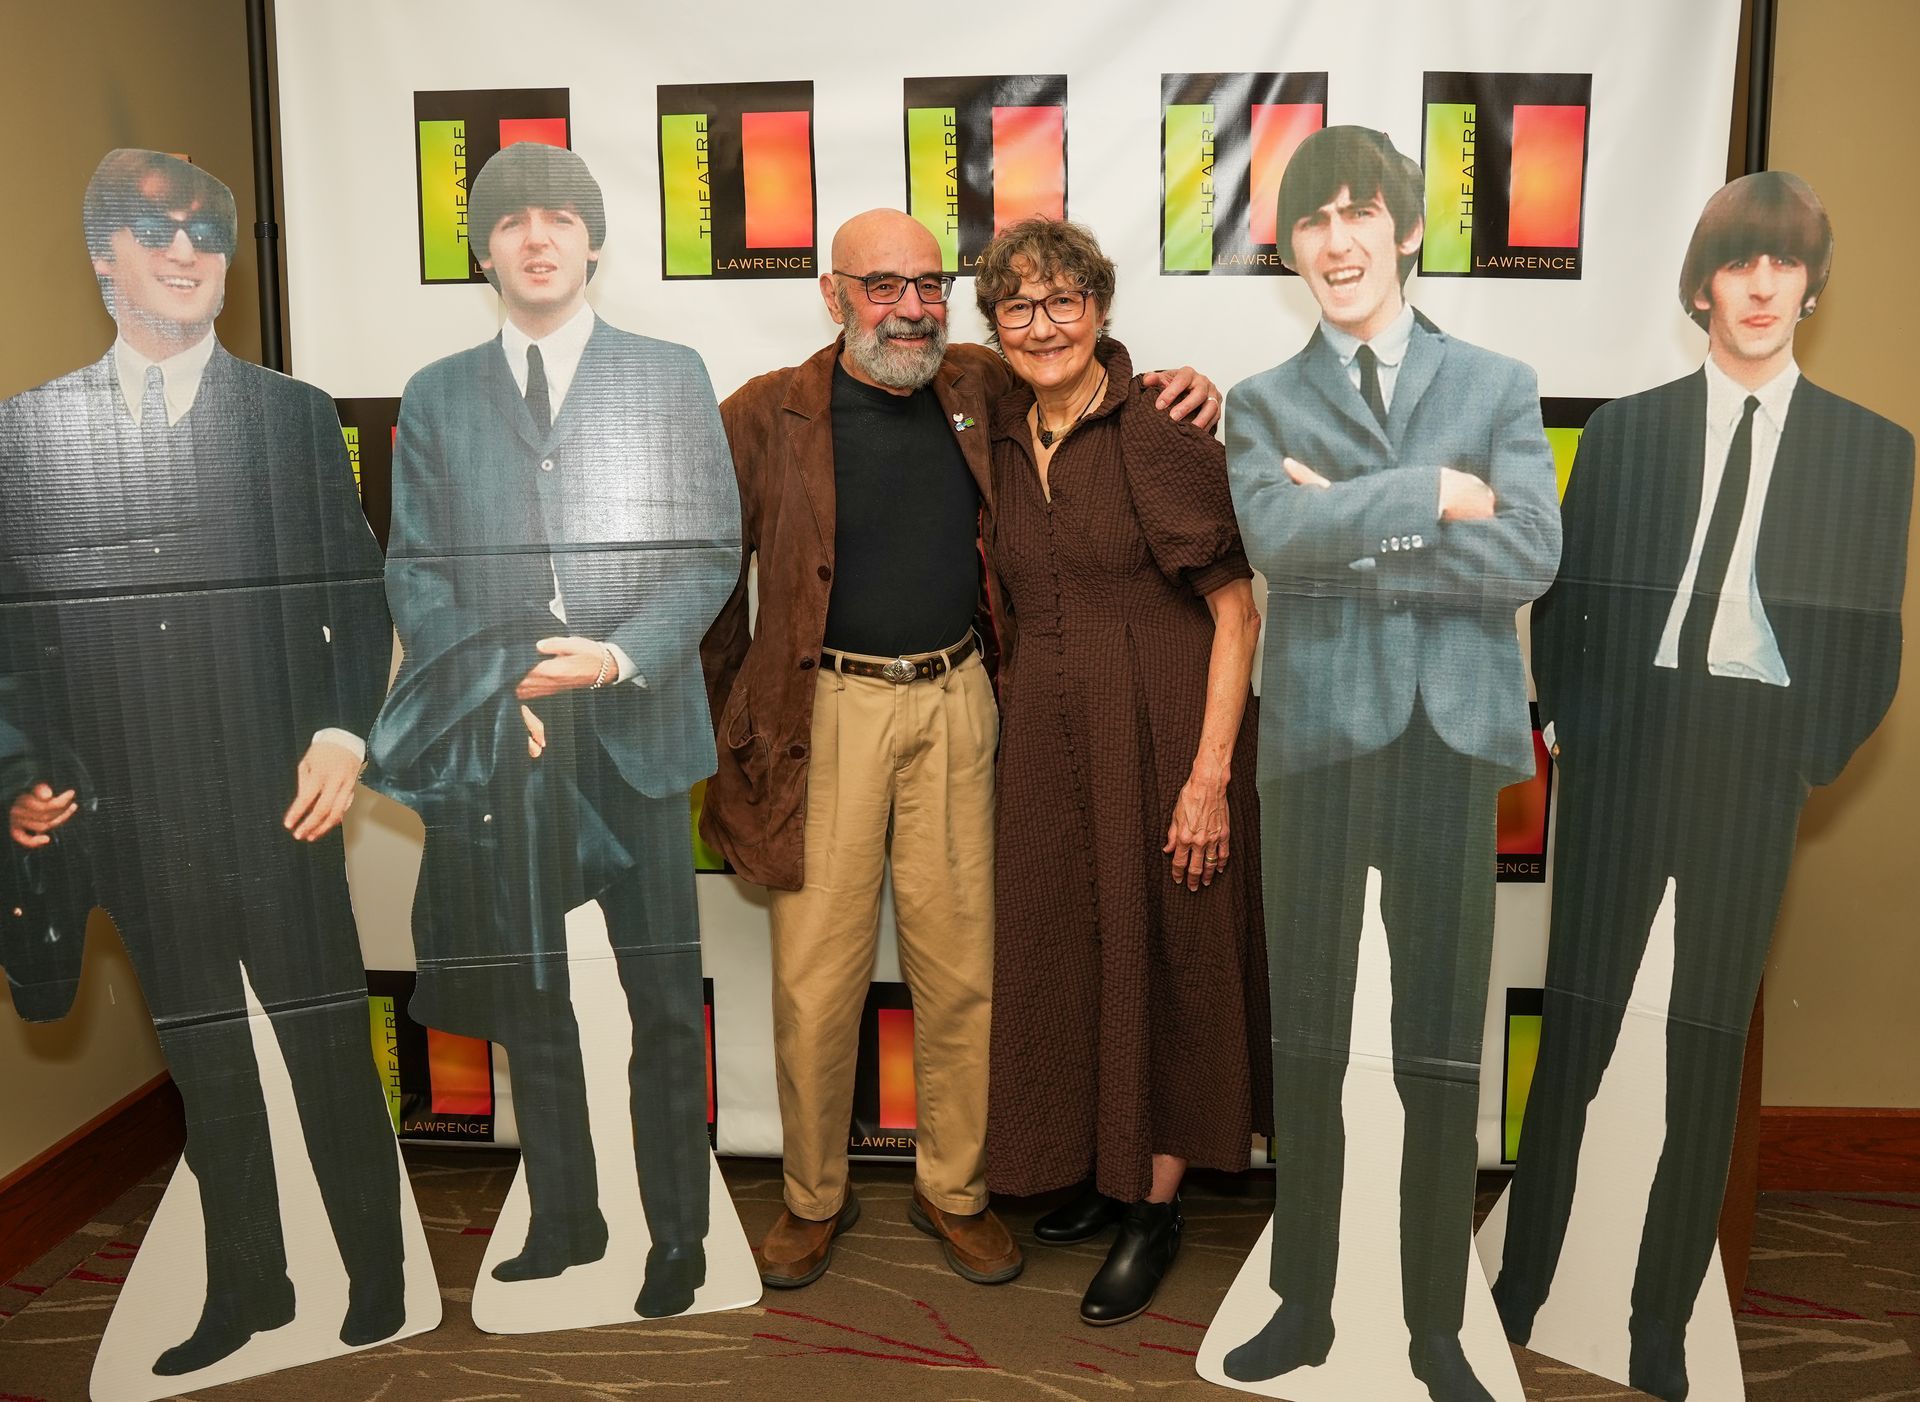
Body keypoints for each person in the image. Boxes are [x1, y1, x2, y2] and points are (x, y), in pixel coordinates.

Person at [699, 208, 1219, 1291]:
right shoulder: (761, 413)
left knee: (968, 971)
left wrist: (1187, 384)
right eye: (883, 285)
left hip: (961, 702)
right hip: (826, 716)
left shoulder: (979, 384)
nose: (911, 307)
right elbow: (708, 587)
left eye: (930, 284)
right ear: (834, 295)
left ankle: (956, 1189)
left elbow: (1085, 377)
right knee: (815, 983)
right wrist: (735, 728)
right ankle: (811, 1198)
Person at [1491, 171, 1912, 1402]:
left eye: (1786, 263)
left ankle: (1659, 1321)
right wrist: (1574, 723)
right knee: (1578, 1029)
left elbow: (1871, 640)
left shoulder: (1873, 451)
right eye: (1740, 263)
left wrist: (1800, 757)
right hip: (1626, 747)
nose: (1764, 286)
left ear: (1812, 285)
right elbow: (1566, 597)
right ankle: (1522, 1285)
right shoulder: (1628, 433)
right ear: (1703, 287)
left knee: (1702, 1050)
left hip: (1752, 759)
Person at [0, 149, 406, 1375]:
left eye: (208, 235)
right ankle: (251, 1287)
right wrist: (19, 773)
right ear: (104, 255)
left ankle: (378, 1279)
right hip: (130, 817)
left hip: (278, 806)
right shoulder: (29, 433)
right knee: (208, 1063)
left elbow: (356, 597)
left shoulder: (292, 419)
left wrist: (342, 735)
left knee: (326, 1048)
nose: (188, 254)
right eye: (158, 230)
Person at [366, 141, 740, 1319]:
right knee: (532, 997)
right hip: (509, 736)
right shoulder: (436, 394)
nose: (537, 237)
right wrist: (489, 692)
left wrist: (618, 655)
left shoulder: (669, 374)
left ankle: (677, 1236)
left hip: (635, 721)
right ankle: (569, 1220)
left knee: (664, 1004)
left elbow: (708, 549)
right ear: (482, 252)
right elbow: (417, 569)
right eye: (511, 220)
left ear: (593, 242)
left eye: (560, 218)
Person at [1220, 126, 1561, 1400]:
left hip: (1447, 742)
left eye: (1361, 213)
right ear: (1293, 248)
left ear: (1407, 230)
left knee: (1438, 1047)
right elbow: (1278, 542)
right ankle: (1304, 1304)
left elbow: (1529, 554)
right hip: (1315, 747)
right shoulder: (1263, 402)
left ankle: (1434, 1327)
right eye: (1314, 222)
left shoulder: (1499, 382)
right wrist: (1433, 493)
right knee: (1308, 1040)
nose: (1338, 242)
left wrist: (1351, 522)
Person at [970, 217, 1267, 1326]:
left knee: (1172, 955)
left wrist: (1208, 778)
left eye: (1065, 301)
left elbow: (1236, 612)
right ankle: (1109, 1167)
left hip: (1165, 732)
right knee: (1074, 949)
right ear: (994, 325)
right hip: (1049, 744)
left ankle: (1155, 1207)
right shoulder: (998, 431)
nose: (1043, 325)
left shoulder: (1156, 425)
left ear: (1099, 310)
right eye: (1018, 306)